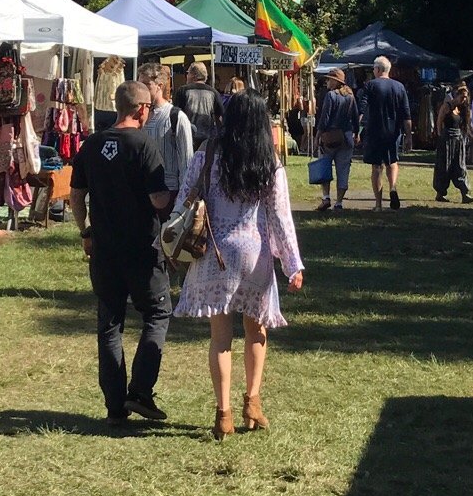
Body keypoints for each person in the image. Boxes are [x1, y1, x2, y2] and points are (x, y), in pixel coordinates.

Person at [172, 93, 305, 440]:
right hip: (255, 253)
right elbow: (280, 217)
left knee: (220, 339)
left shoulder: (208, 154)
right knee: (256, 332)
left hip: (214, 252)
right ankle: (253, 402)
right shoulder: (268, 161)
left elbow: (183, 199)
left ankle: (223, 414)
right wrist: (292, 264)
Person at [72, 80, 174, 427]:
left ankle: (115, 406)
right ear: (141, 109)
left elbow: (76, 194)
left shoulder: (91, 143)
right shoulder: (144, 145)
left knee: (110, 324)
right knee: (157, 315)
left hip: (104, 249)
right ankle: (140, 392)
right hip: (142, 251)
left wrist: (85, 229)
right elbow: (159, 200)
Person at [357, 55, 413, 209]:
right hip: (393, 132)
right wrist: (408, 136)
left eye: (374, 68)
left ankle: (378, 204)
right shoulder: (399, 87)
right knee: (392, 163)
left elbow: (362, 108)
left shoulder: (370, 86)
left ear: (378, 69)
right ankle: (393, 187)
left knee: (376, 167)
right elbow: (406, 113)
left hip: (375, 131)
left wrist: (357, 129)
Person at [141, 63, 194, 197]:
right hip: (142, 190)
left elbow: (186, 161)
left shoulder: (176, 117)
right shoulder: (138, 116)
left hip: (168, 191)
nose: (140, 89)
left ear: (159, 86)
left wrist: (183, 198)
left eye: (146, 84)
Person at [311, 69, 358, 210]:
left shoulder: (331, 96)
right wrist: (357, 133)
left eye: (329, 79)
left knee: (324, 167)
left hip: (329, 138)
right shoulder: (350, 96)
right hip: (346, 137)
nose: (327, 82)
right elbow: (355, 117)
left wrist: (318, 135)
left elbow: (324, 118)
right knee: (343, 170)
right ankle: (339, 202)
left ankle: (326, 197)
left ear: (336, 82)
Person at [432, 84, 473, 203]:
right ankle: (440, 193)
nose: (464, 99)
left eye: (466, 97)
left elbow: (465, 125)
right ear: (456, 96)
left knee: (460, 166)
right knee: (444, 166)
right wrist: (440, 136)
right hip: (446, 139)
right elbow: (439, 121)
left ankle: (465, 193)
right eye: (462, 97)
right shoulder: (447, 106)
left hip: (458, 140)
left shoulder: (463, 109)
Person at [173, 61, 222, 149]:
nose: (186, 76)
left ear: (193, 75)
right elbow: (220, 116)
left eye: (187, 73)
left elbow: (176, 114)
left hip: (187, 137)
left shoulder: (183, 91)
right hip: (207, 140)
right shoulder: (214, 92)